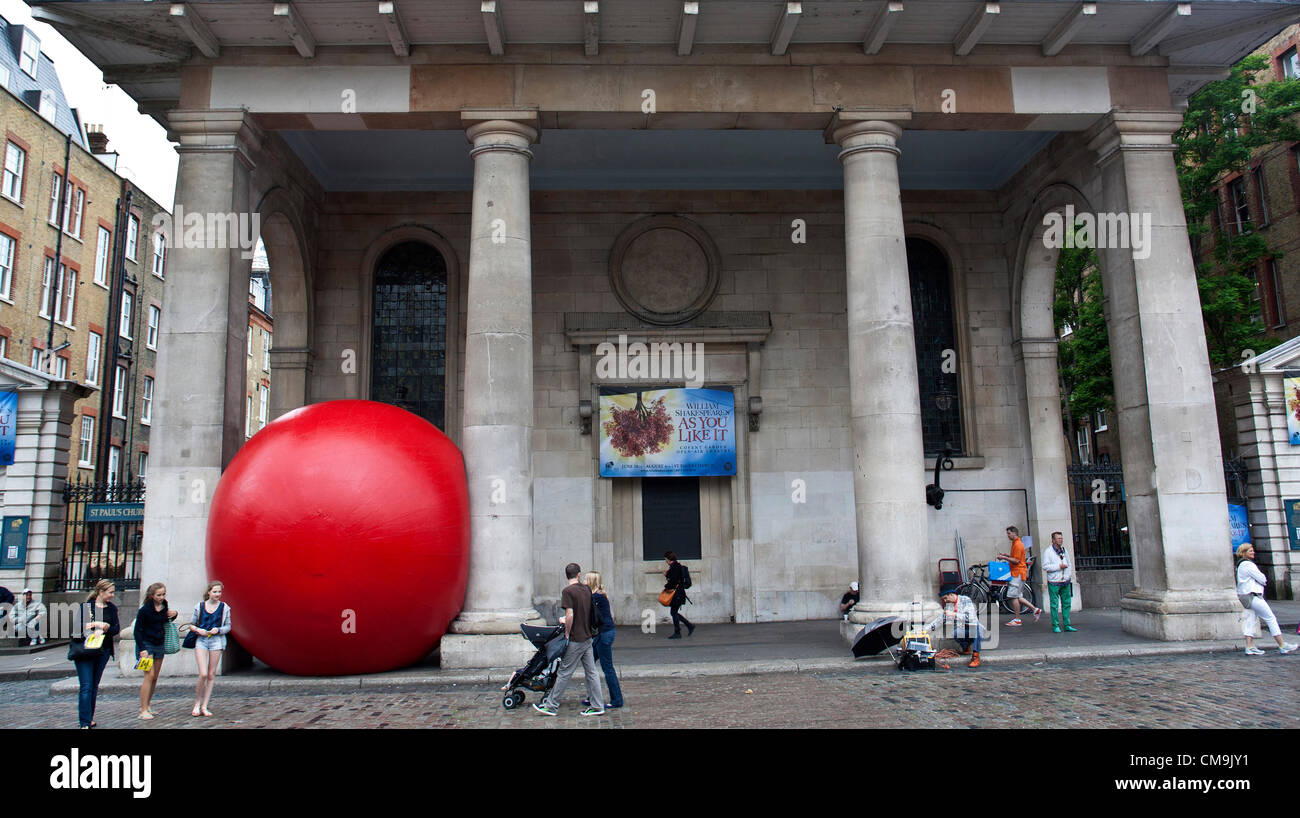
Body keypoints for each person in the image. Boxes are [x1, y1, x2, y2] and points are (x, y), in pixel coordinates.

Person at [534, 563, 604, 717]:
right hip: (587, 637)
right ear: (579, 574)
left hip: (576, 638)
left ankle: (551, 706)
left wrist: (567, 632)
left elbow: (570, 615)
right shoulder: (586, 589)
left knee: (564, 672)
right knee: (591, 672)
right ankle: (598, 705)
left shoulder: (567, 591)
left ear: (566, 576)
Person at [72, 579, 120, 729]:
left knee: (94, 686)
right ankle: (84, 722)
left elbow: (116, 629)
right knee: (86, 686)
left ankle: (89, 717)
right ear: (101, 592)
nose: (112, 595)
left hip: (103, 650)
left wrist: (106, 628)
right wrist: (95, 624)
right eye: (110, 592)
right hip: (85, 651)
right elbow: (77, 630)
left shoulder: (111, 608)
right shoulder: (86, 607)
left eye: (113, 592)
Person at [1235, 543, 1298, 656]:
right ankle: (1282, 645)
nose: (1253, 552)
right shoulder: (1248, 565)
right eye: (1250, 551)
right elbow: (1262, 578)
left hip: (1246, 596)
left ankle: (1250, 647)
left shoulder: (1241, 565)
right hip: (1253, 596)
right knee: (1270, 618)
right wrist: (1262, 579)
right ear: (1244, 553)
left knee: (1250, 620)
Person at [133, 582, 178, 720]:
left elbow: (164, 620)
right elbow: (137, 631)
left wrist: (174, 614)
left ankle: (148, 705)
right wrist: (142, 649)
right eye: (158, 595)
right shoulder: (144, 610)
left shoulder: (164, 606)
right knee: (149, 675)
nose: (161, 597)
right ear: (151, 595)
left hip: (159, 643)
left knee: (155, 677)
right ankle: (143, 709)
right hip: (146, 645)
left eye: (163, 594)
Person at [189, 580, 232, 717]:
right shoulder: (199, 606)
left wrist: (218, 630)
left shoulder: (225, 608)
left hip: (217, 641)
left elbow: (228, 626)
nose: (217, 594)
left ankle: (205, 705)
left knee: (211, 674)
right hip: (201, 640)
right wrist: (198, 630)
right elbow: (191, 624)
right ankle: (196, 703)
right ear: (209, 592)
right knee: (203, 674)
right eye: (215, 592)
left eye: (219, 592)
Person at [582, 571, 624, 709]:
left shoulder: (596, 597)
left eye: (586, 579)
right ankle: (592, 696)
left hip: (604, 634)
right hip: (602, 634)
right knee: (590, 664)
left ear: (591, 582)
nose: (583, 581)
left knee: (607, 667)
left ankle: (616, 699)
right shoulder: (597, 595)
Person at [927, 586, 984, 668]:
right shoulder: (949, 606)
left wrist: (954, 615)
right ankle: (966, 646)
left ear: (951, 594)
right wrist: (925, 630)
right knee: (956, 633)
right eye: (943, 599)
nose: (945, 601)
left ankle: (975, 656)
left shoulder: (965, 600)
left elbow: (970, 618)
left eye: (945, 598)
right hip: (964, 630)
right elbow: (939, 620)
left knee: (976, 629)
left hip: (974, 627)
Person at [997, 525, 1041, 626]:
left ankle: (1017, 619)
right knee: (1017, 596)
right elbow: (1017, 558)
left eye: (1008, 533)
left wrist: (1004, 557)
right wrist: (1007, 556)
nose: (1007, 535)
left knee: (1012, 596)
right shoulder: (1016, 543)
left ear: (1014, 533)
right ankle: (1035, 609)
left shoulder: (1017, 544)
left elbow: (1016, 561)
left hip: (1017, 573)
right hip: (1019, 573)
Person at [1041, 531, 1077, 633]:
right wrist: (1059, 567)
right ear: (1053, 540)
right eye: (1058, 538)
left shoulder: (1064, 550)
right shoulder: (1048, 552)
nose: (1060, 540)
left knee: (1067, 603)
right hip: (1054, 581)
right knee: (1054, 604)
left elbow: (1069, 563)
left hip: (1065, 580)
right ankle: (1055, 625)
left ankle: (1067, 624)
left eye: (1061, 538)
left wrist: (1068, 575)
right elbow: (1045, 566)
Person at [663, 551, 695, 639]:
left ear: (669, 559)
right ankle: (686, 627)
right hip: (679, 592)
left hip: (676, 593)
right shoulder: (677, 566)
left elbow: (673, 581)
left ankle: (681, 631)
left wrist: (666, 584)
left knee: (673, 612)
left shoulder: (674, 567)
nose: (665, 561)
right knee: (674, 612)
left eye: (665, 559)